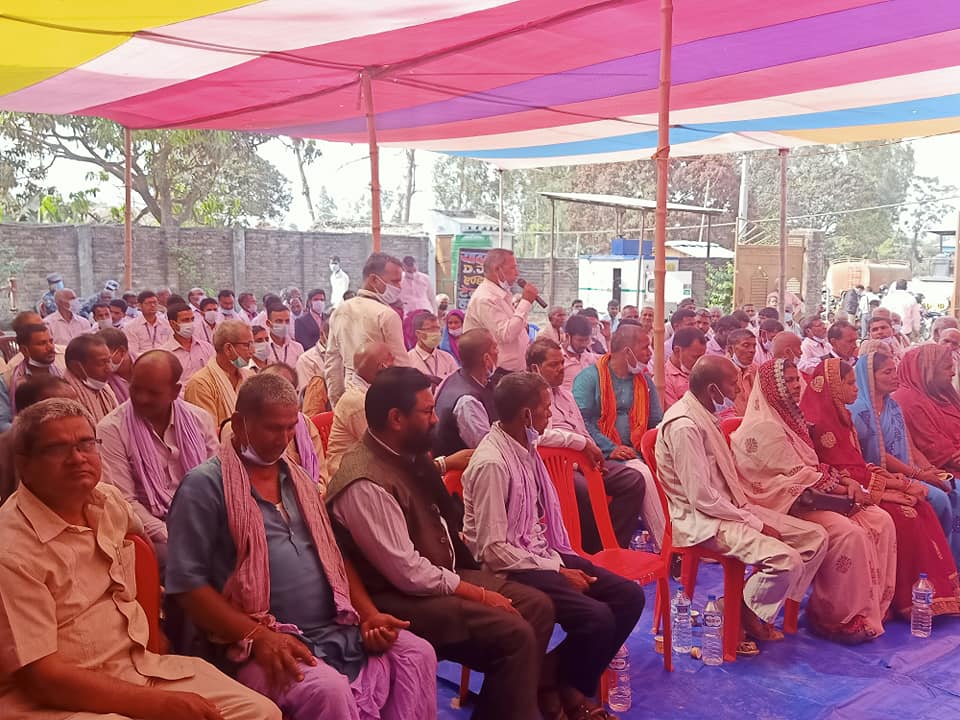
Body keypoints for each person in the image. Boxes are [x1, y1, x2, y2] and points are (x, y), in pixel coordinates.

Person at [165, 374, 436, 720]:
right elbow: (188, 588)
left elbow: (334, 558)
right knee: (327, 690)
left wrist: (368, 615)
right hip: (250, 643)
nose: (283, 439)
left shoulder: (298, 479)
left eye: (291, 428)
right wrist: (259, 636)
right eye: (273, 428)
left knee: (418, 654)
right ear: (239, 423)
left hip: (334, 629)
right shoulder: (204, 486)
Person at [0, 398, 281, 720]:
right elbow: (41, 678)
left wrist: (152, 621)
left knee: (260, 712)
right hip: (59, 698)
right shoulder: (11, 552)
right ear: (24, 464)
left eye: (86, 444)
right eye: (56, 448)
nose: (77, 458)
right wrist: (157, 704)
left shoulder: (107, 501)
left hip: (138, 668)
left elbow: (142, 547)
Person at [326, 367, 556, 720]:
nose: (436, 419)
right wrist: (479, 593)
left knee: (538, 607)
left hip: (440, 573)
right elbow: (407, 573)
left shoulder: (405, 452)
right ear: (396, 418)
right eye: (428, 411)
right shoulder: (364, 483)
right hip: (397, 597)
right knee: (514, 633)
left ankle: (512, 707)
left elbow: (440, 523)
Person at [463, 372, 644, 720]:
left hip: (540, 552)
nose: (551, 414)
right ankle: (569, 690)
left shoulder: (524, 441)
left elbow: (555, 435)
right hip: (509, 567)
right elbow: (492, 550)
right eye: (545, 408)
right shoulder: (492, 463)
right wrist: (558, 570)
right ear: (525, 415)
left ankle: (550, 677)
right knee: (597, 618)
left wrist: (582, 443)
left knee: (629, 597)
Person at [656, 355, 828, 644]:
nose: (739, 389)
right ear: (713, 390)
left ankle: (742, 606)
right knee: (787, 561)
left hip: (732, 508)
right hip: (705, 520)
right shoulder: (684, 425)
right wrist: (756, 524)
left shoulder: (705, 413)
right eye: (733, 384)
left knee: (816, 538)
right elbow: (702, 498)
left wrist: (751, 514)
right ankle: (745, 610)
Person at [731, 359, 896, 643]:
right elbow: (794, 479)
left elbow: (813, 467)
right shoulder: (762, 428)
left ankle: (871, 608)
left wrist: (848, 484)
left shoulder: (792, 421)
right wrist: (843, 490)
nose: (796, 386)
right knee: (848, 533)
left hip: (806, 497)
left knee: (881, 519)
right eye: (788, 381)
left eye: (797, 379)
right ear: (772, 388)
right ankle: (835, 618)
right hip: (779, 504)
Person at [800, 358, 960, 618]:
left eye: (855, 382)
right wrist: (897, 487)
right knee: (906, 515)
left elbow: (860, 465)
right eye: (849, 383)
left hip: (862, 483)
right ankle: (901, 600)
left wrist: (904, 483)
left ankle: (932, 591)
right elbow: (844, 473)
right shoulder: (824, 423)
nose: (855, 388)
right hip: (839, 494)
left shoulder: (844, 415)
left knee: (921, 507)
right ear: (834, 386)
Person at [98, 350, 218, 567]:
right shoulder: (111, 429)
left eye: (153, 392)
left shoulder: (200, 419)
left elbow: (217, 481)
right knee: (185, 561)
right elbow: (125, 501)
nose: (141, 398)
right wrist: (173, 534)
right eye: (136, 389)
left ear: (175, 391)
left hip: (202, 516)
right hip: (152, 529)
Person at [529, 339, 646, 552]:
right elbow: (538, 436)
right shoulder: (528, 399)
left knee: (633, 480)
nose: (561, 369)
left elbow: (582, 430)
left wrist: (593, 454)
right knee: (585, 490)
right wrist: (580, 451)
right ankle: (590, 552)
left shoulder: (566, 395)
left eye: (562, 363)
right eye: (553, 365)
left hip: (584, 460)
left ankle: (611, 546)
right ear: (535, 368)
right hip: (556, 467)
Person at [850, 348, 960, 566]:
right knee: (939, 498)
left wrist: (929, 469)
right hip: (884, 476)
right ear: (870, 377)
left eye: (895, 370)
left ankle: (950, 561)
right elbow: (880, 455)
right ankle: (937, 561)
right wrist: (919, 475)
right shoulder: (860, 411)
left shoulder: (893, 405)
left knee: (953, 487)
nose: (895, 376)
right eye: (887, 372)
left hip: (908, 471)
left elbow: (910, 445)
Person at [572, 325, 664, 548]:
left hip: (637, 452)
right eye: (645, 347)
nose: (650, 353)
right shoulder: (589, 378)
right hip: (601, 455)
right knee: (642, 473)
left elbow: (656, 422)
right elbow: (582, 422)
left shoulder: (644, 381)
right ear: (626, 351)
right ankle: (667, 546)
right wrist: (610, 448)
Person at [324, 253, 410, 406]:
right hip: (383, 397)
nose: (399, 287)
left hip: (350, 394)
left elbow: (332, 364)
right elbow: (401, 368)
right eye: (395, 281)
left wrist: (337, 404)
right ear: (374, 280)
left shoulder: (339, 311)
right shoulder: (386, 315)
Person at [0, 376, 78, 504]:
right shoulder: (6, 446)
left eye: (75, 405)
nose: (74, 413)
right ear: (28, 412)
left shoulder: (84, 438)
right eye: (59, 408)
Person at [463, 248, 539, 372]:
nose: (517, 273)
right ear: (497, 269)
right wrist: (525, 302)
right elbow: (505, 335)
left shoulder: (502, 293)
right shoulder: (485, 298)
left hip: (516, 370)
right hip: (498, 373)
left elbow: (518, 327)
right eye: (513, 268)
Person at [326, 343, 395, 476]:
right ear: (382, 368)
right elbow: (384, 448)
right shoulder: (358, 403)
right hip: (348, 477)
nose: (395, 363)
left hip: (368, 470)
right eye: (391, 358)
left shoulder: (372, 393)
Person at [893, 344, 960, 481]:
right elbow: (944, 454)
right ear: (929, 370)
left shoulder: (940, 391)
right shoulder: (908, 399)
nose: (953, 373)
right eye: (947, 367)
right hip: (943, 473)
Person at [432, 329, 499, 456]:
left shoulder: (454, 377)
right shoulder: (467, 401)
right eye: (494, 348)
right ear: (486, 358)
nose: (498, 351)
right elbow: (487, 448)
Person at [183, 320, 255, 429]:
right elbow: (207, 432)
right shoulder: (200, 384)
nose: (252, 351)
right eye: (247, 345)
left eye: (252, 344)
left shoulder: (250, 377)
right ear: (228, 348)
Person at [0, 322, 62, 432]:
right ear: (24, 350)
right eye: (42, 343)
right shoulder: (7, 380)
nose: (50, 347)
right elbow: (3, 423)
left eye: (51, 341)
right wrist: (36, 432)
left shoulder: (61, 372)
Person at [62, 333, 119, 424]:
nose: (109, 369)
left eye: (109, 361)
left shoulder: (106, 390)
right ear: (76, 367)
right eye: (102, 363)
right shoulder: (66, 397)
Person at [160, 303, 215, 385]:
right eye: (185, 320)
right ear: (173, 323)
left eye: (192, 319)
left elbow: (215, 374)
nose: (190, 323)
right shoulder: (165, 354)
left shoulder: (207, 347)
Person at [407, 312, 458, 385]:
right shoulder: (408, 360)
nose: (436, 333)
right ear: (418, 333)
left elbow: (456, 384)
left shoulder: (447, 358)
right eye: (431, 329)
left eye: (438, 329)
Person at [662, 328, 707, 410]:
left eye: (702, 357)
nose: (700, 361)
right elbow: (675, 413)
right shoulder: (664, 379)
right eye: (695, 357)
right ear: (677, 351)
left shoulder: (703, 371)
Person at [124, 290, 173, 358]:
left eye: (155, 302)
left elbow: (170, 346)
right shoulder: (130, 327)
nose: (153, 305)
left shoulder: (166, 324)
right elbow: (133, 352)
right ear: (140, 305)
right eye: (149, 303)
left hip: (164, 359)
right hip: (142, 360)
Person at [561, 314, 598, 391]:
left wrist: (608, 339)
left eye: (587, 339)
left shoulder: (587, 356)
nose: (584, 344)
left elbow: (610, 360)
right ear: (567, 336)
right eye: (580, 340)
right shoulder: (557, 359)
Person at [725, 328, 757, 416]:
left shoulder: (755, 369)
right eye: (746, 345)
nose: (752, 350)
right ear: (731, 349)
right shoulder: (721, 371)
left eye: (754, 346)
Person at [265, 300, 305, 368]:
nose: (284, 324)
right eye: (279, 321)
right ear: (268, 323)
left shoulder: (297, 348)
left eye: (287, 321)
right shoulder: (262, 348)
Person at [99, 326, 133, 403]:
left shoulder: (148, 368)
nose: (104, 364)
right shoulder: (103, 381)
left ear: (122, 351)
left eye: (106, 359)